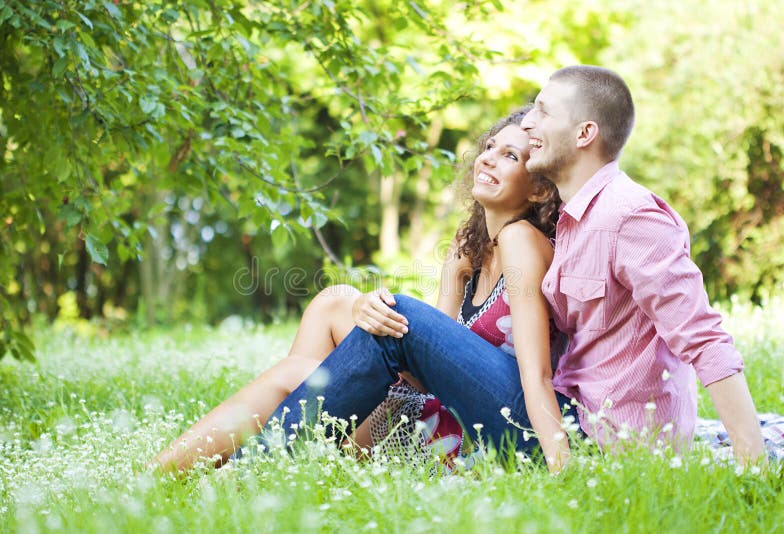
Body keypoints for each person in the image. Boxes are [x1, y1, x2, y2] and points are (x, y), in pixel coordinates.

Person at [152, 107, 574, 474]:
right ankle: (292, 449)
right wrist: (439, 282)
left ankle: (173, 475)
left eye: (510, 156)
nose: (488, 159)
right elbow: (429, 366)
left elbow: (536, 374)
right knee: (335, 301)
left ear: (538, 188)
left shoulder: (522, 240)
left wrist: (560, 463)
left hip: (469, 437)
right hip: (442, 407)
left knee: (297, 377)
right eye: (490, 147)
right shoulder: (474, 250)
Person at [518, 65, 765, 462]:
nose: (527, 122)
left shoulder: (629, 216)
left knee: (407, 319)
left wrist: (754, 465)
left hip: (607, 435)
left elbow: (702, 337)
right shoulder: (572, 219)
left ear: (585, 133)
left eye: (543, 112)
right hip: (569, 408)